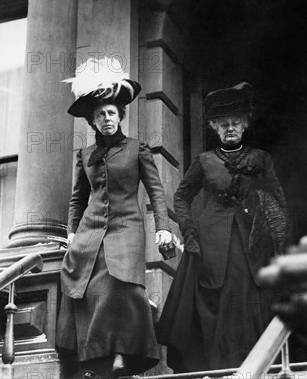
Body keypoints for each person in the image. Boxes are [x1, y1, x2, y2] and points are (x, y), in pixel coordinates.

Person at [156, 82, 291, 371]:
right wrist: (189, 232)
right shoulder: (204, 161)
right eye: (223, 124)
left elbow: (278, 200)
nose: (230, 128)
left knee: (252, 301)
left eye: (235, 123)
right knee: (216, 305)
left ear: (244, 126)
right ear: (215, 128)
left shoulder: (260, 158)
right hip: (211, 243)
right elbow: (181, 196)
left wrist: (278, 242)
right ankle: (219, 370)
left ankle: (255, 368)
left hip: (253, 243)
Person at [56, 57, 174, 377]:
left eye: (111, 113)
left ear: (120, 115)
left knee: (121, 289)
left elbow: (156, 192)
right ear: (93, 122)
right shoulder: (84, 156)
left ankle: (127, 353)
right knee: (85, 290)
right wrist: (70, 233)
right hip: (89, 233)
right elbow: (78, 198)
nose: (107, 118)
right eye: (100, 115)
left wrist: (163, 227)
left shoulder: (139, 149)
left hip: (127, 229)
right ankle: (98, 360)